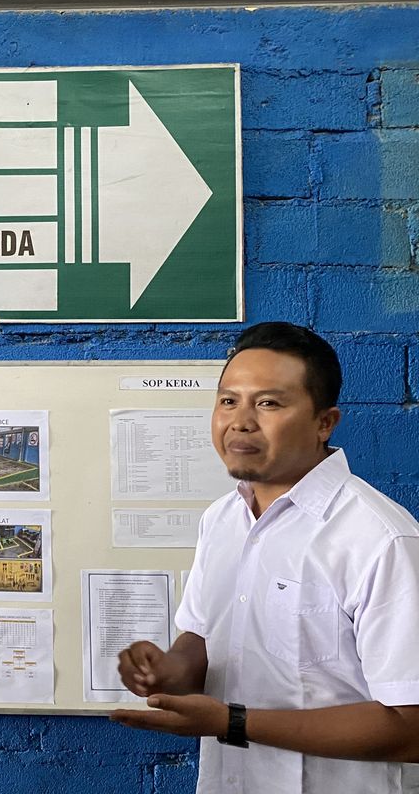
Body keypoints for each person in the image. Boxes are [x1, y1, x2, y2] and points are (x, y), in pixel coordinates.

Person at [111, 322, 419, 793]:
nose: (240, 421)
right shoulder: (221, 519)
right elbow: (202, 640)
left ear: (324, 422)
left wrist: (233, 722)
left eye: (269, 403)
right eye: (228, 400)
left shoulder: (380, 539)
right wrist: (169, 672)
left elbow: (410, 728)